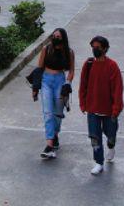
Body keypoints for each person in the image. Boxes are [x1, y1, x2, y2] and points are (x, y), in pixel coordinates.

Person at [79, 36, 123, 176]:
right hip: (92, 109)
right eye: (93, 47)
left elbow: (117, 89)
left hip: (109, 110)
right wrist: (83, 103)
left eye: (97, 47)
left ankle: (111, 146)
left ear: (105, 48)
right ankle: (99, 162)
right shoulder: (89, 64)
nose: (94, 49)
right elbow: (83, 85)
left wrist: (116, 109)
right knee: (94, 137)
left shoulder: (112, 66)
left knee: (111, 134)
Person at [32, 28, 75, 159]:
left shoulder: (69, 52)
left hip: (60, 81)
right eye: (54, 35)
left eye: (58, 36)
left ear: (63, 38)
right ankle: (49, 144)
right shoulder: (47, 49)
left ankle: (55, 134)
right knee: (48, 112)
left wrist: (68, 83)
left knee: (57, 113)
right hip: (46, 81)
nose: (55, 38)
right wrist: (35, 87)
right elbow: (39, 68)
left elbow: (71, 71)